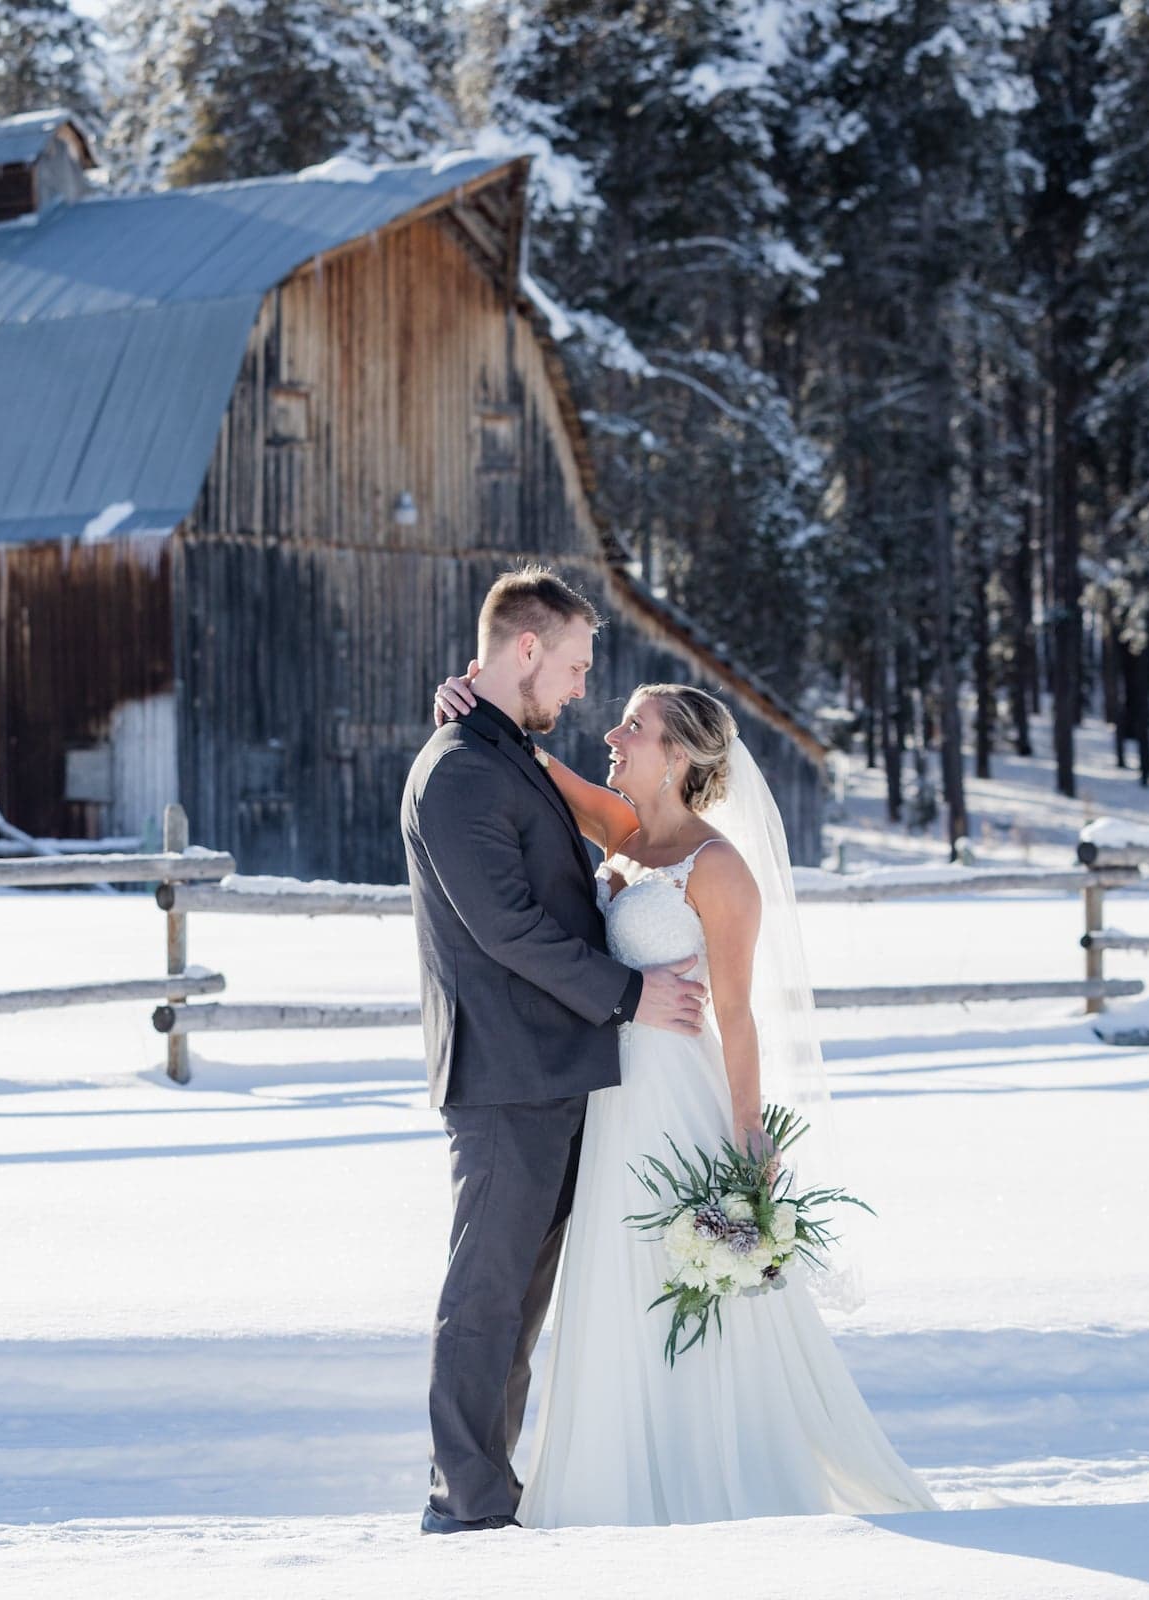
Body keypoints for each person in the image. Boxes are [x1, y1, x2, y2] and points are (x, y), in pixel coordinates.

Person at [431, 664, 937, 1527]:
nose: (612, 736)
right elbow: (537, 765)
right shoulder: (624, 831)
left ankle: (704, 1474)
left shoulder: (719, 867)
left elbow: (738, 1018)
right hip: (607, 1096)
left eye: (634, 727)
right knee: (609, 1283)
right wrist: (465, 702)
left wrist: (748, 1139)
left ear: (675, 759)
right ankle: (611, 1474)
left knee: (677, 1273)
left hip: (675, 1101)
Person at [400, 565, 707, 1535]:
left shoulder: (500, 751)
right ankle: (465, 1501)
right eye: (574, 665)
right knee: (485, 1297)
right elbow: (509, 928)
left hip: (549, 1074)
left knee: (516, 1308)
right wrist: (631, 994)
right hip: (504, 1078)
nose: (581, 689)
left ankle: (492, 1490)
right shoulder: (458, 770)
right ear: (524, 649)